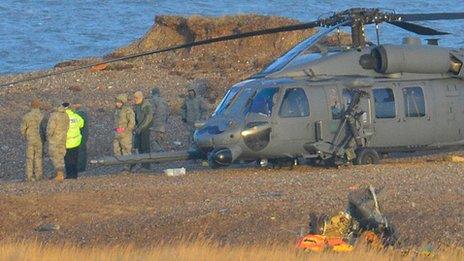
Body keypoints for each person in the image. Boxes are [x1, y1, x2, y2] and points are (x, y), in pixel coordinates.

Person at [21, 98, 44, 181]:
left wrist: (25, 136)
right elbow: (45, 128)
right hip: (40, 139)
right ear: (39, 106)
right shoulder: (42, 116)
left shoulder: (27, 116)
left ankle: (29, 176)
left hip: (30, 139)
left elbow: (22, 129)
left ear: (31, 105)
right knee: (39, 157)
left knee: (29, 158)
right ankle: (39, 176)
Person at [46, 101, 69, 181]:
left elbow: (50, 128)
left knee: (54, 155)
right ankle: (61, 173)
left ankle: (59, 174)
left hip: (55, 139)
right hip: (63, 138)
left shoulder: (54, 116)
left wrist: (48, 136)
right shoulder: (66, 115)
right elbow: (67, 126)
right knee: (61, 155)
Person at [113, 94, 135, 169]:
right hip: (117, 133)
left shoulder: (128, 110)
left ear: (123, 102)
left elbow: (132, 123)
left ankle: (127, 166)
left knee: (126, 150)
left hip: (126, 134)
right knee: (116, 150)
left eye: (119, 102)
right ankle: (122, 164)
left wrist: (126, 131)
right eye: (116, 102)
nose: (117, 103)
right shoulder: (117, 110)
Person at [64, 102, 84, 179]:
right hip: (76, 142)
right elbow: (82, 124)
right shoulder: (76, 116)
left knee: (67, 160)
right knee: (74, 159)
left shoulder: (63, 117)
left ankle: (69, 175)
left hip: (67, 142)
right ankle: (74, 175)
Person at [133, 91, 153, 170]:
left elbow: (148, 118)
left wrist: (141, 127)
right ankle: (142, 163)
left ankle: (147, 165)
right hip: (139, 128)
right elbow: (137, 116)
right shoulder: (137, 105)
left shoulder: (146, 105)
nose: (135, 99)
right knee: (138, 146)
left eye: (136, 98)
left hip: (145, 128)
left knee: (145, 147)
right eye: (134, 98)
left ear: (141, 97)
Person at [150, 87, 168, 152]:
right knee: (160, 141)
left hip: (155, 125)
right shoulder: (163, 100)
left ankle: (159, 154)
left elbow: (151, 112)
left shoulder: (153, 100)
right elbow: (167, 112)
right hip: (163, 124)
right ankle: (162, 157)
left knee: (153, 141)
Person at [73, 98, 89, 172]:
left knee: (79, 152)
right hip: (84, 135)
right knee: (82, 151)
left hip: (79, 135)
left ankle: (79, 168)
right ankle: (82, 167)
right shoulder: (84, 113)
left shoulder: (79, 114)